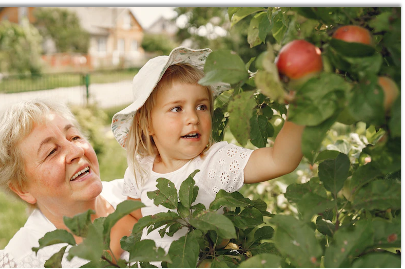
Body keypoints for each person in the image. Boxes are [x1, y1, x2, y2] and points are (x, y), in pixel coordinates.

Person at [110, 47, 305, 254]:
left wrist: (301, 108)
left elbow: (279, 161)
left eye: (202, 106)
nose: (193, 118)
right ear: (147, 124)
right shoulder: (140, 168)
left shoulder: (214, 162)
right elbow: (132, 216)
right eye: (177, 108)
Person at [0, 99, 137, 268]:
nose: (76, 150)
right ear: (21, 188)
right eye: (51, 152)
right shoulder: (23, 260)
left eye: (74, 137)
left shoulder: (141, 195)